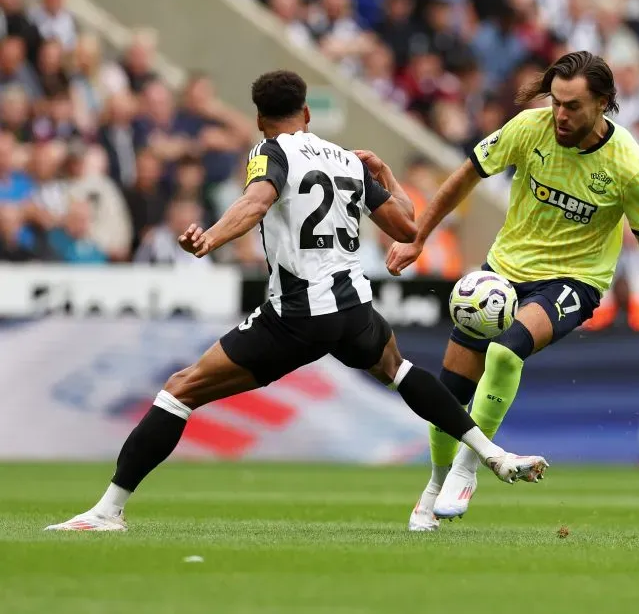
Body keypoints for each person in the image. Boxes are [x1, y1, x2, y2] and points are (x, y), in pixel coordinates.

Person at [44, 70, 548, 532]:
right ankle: (492, 453)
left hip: (298, 314)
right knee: (398, 370)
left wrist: (210, 238)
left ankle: (108, 511)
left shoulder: (270, 152)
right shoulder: (347, 159)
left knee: (180, 390)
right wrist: (390, 180)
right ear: (307, 113)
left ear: (260, 120)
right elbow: (406, 227)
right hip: (354, 308)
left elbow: (256, 201)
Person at [386, 51, 639, 531]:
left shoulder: (628, 165)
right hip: (503, 271)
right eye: (555, 102)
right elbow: (466, 175)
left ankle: (470, 467)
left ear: (602, 103)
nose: (560, 114)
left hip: (574, 281)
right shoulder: (527, 128)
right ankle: (433, 487)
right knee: (450, 393)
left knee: (506, 350)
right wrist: (418, 237)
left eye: (572, 106)